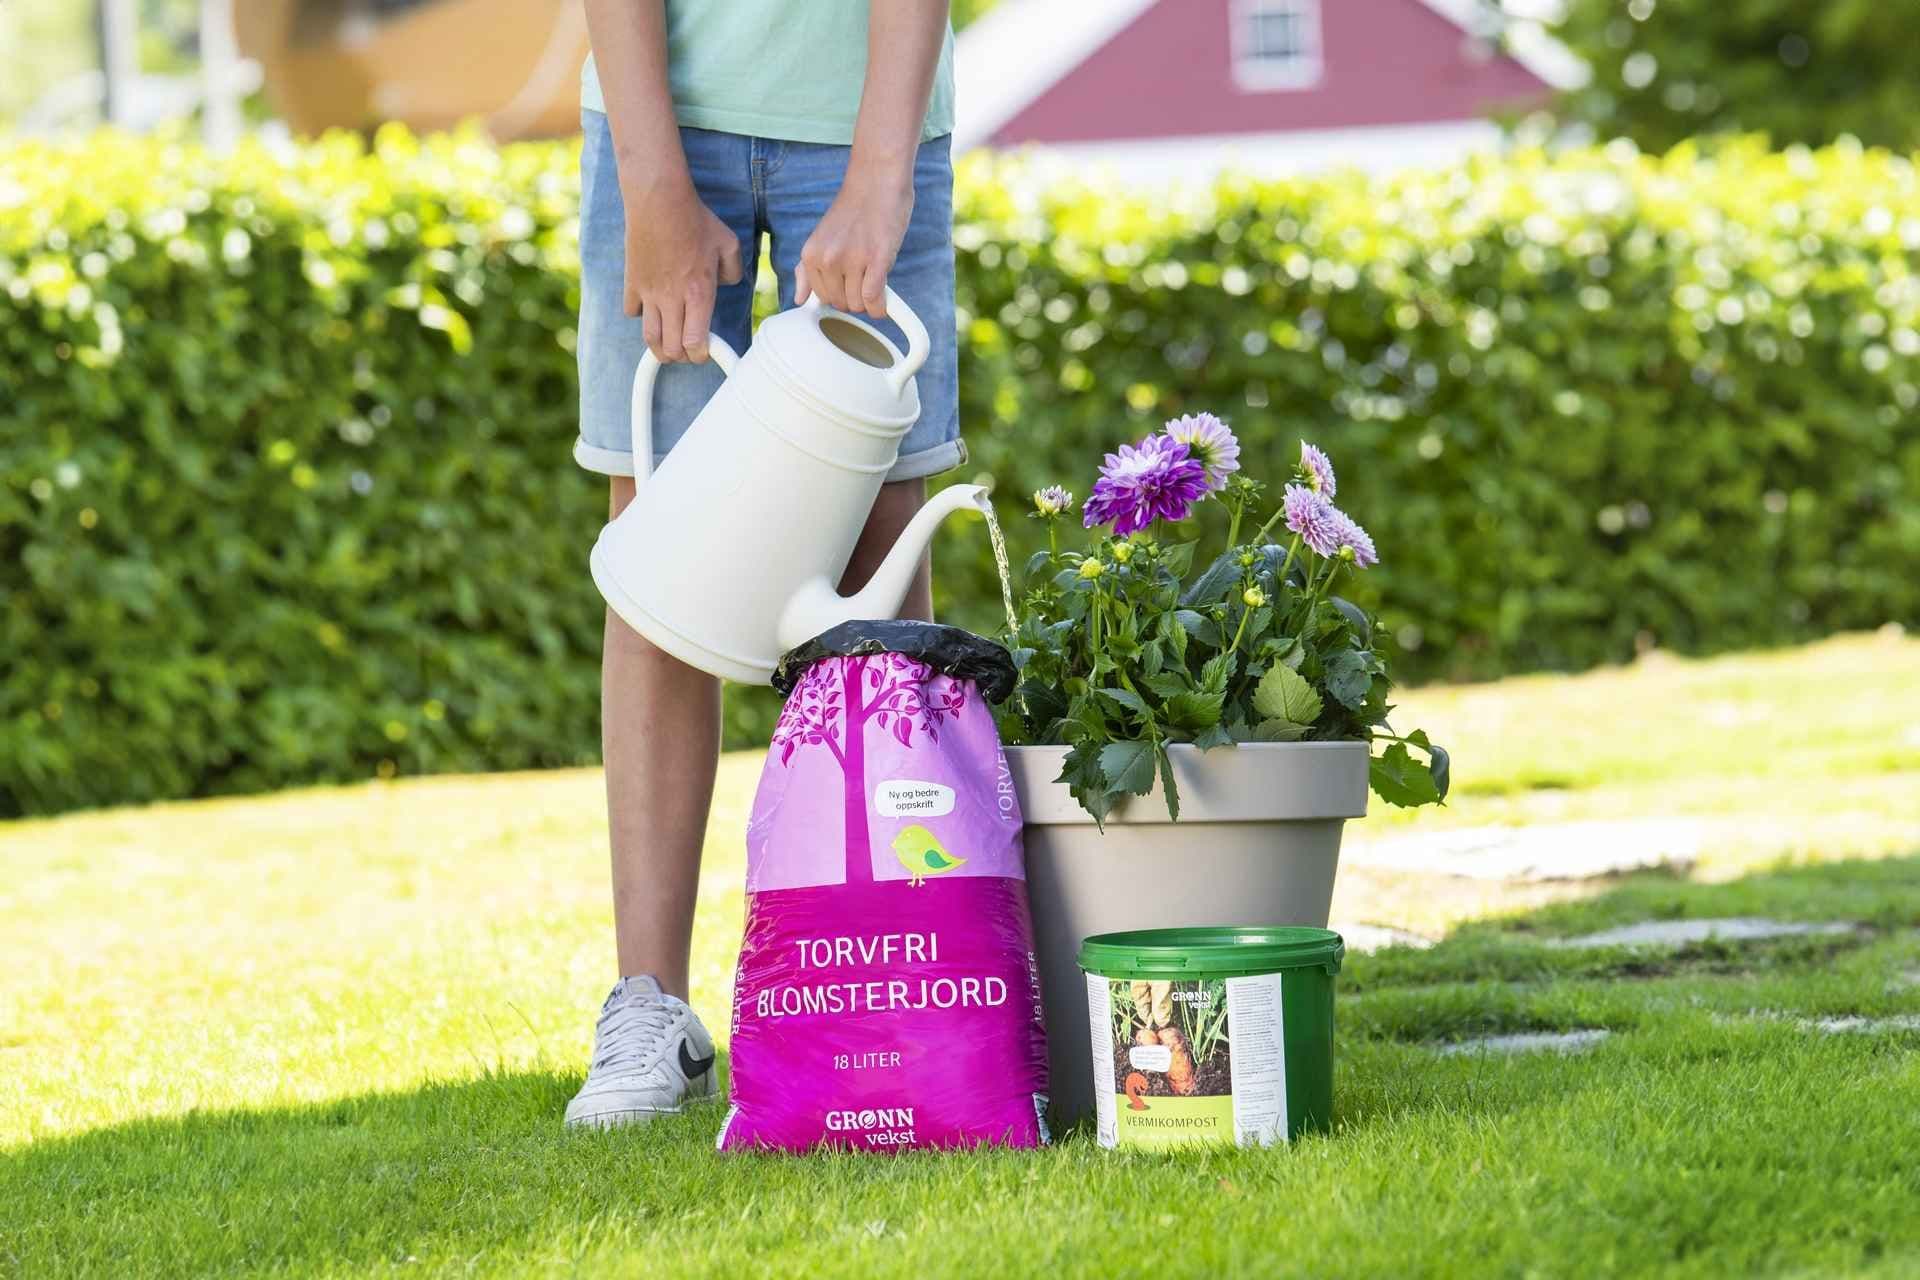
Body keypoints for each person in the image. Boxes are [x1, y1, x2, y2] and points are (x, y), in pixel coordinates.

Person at [565, 0, 961, 1128]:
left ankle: (899, 969)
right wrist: (653, 187)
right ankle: (650, 1011)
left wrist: (882, 174)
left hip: (873, 123)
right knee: (659, 548)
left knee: (882, 538)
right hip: (658, 124)